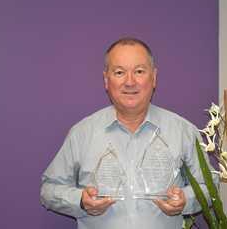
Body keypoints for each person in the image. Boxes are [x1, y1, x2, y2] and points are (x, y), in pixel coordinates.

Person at [40, 37, 215, 229]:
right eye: (119, 72)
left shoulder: (183, 132)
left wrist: (186, 200)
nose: (130, 82)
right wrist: (80, 200)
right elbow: (49, 190)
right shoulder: (82, 134)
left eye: (139, 71)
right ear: (106, 80)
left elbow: (209, 187)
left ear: (154, 77)